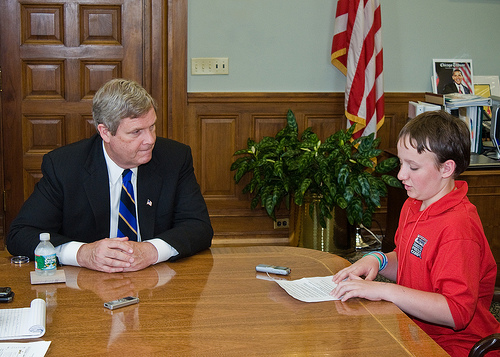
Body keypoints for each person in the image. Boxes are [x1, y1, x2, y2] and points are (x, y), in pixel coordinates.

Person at [331, 110, 500, 356]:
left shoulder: (458, 227)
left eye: (413, 167)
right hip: (413, 333)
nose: (401, 175)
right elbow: (413, 262)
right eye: (401, 163)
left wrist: (384, 290)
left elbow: (457, 313)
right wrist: (378, 260)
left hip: (455, 348)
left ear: (446, 168)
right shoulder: (414, 203)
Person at [7, 78, 213, 273]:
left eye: (152, 127)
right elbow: (20, 234)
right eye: (136, 132)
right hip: (86, 288)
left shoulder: (174, 158)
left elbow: (199, 227)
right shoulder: (64, 166)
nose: (150, 140)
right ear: (105, 132)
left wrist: (151, 251)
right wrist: (82, 254)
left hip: (157, 280)